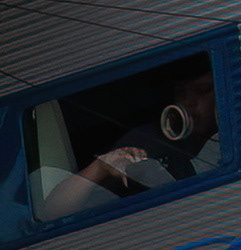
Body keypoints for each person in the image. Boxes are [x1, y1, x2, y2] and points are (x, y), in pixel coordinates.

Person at [41, 69, 220, 219]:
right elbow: (52, 213)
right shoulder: (151, 139)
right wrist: (101, 167)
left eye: (203, 90)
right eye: (182, 92)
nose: (189, 101)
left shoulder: (229, 139)